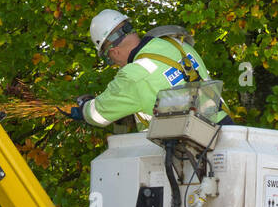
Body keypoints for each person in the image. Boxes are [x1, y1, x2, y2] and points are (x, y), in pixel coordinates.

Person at [70, 10, 232, 130]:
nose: (116, 64)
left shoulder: (133, 75)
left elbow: (99, 113)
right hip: (226, 130)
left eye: (110, 60)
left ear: (113, 52)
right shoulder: (176, 43)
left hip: (192, 153)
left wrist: (84, 109)